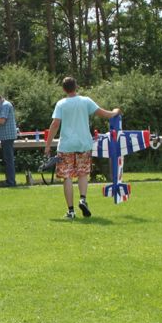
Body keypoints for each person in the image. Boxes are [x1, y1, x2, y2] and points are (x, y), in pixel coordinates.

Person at [43, 77, 121, 219]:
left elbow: (55, 125)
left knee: (67, 176)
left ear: (63, 89)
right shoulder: (86, 101)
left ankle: (71, 211)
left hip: (66, 145)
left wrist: (48, 145)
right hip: (84, 143)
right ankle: (83, 199)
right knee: (83, 173)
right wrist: (115, 111)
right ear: (76, 86)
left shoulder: (61, 104)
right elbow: (105, 114)